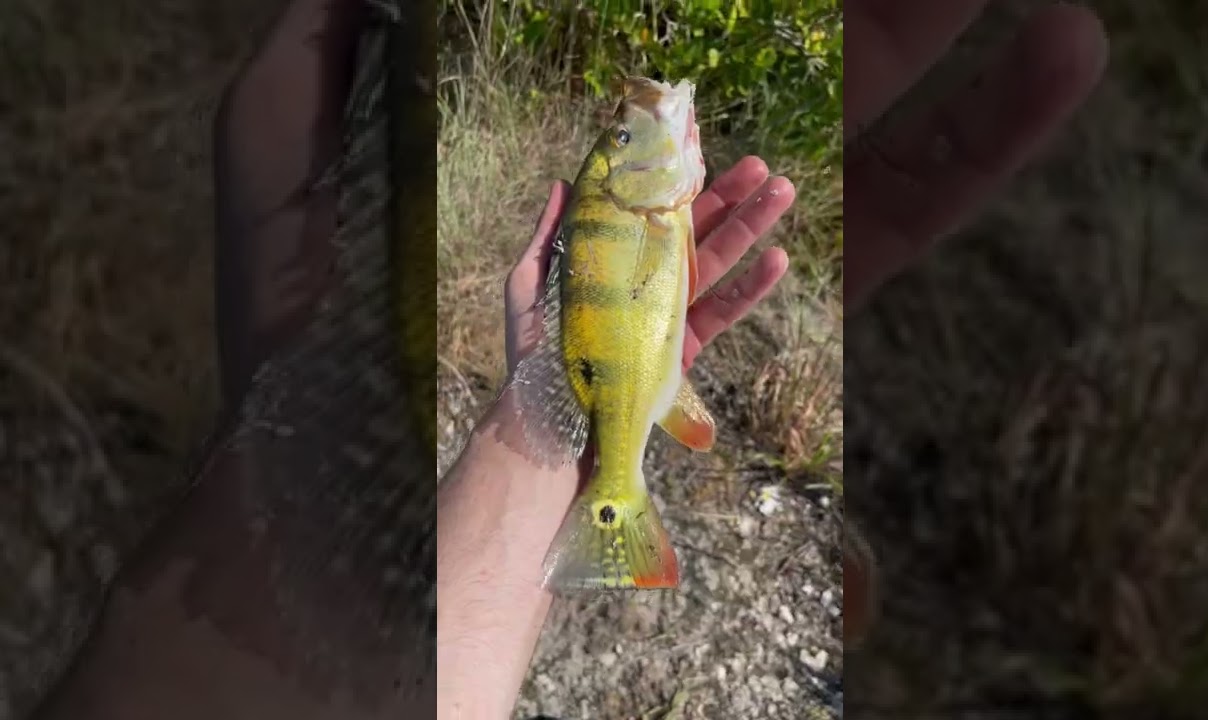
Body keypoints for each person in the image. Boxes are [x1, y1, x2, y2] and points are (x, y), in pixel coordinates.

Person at [35, 1, 1108, 719]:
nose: (652, 116)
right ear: (630, 172)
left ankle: (607, 493)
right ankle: (613, 498)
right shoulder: (643, 200)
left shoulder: (644, 202)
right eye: (627, 134)